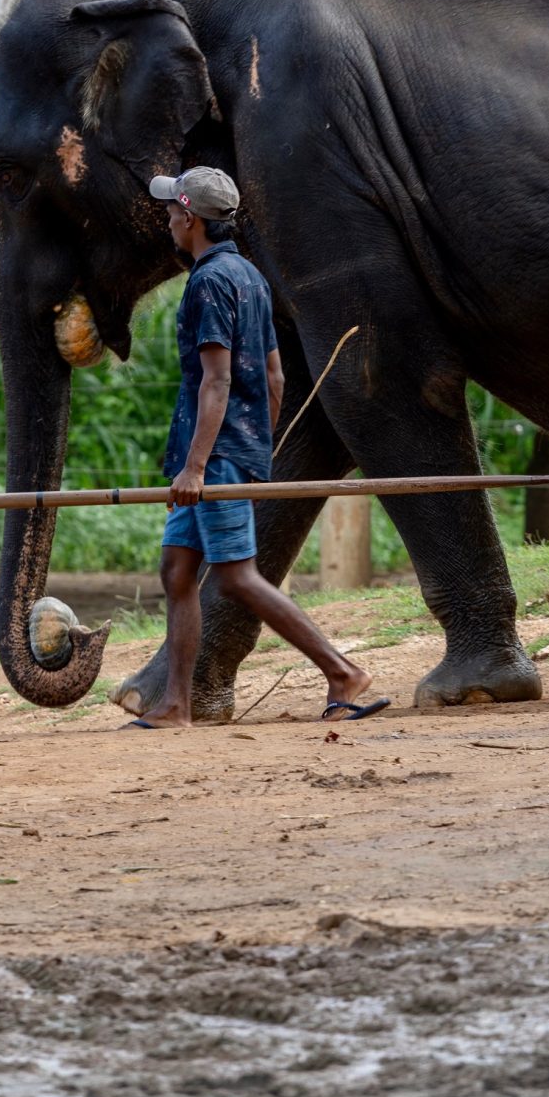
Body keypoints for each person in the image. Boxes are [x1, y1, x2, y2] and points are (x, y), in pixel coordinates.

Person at [131, 165, 381, 730]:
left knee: (236, 577)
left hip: (211, 457)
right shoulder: (250, 277)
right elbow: (274, 379)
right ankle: (175, 703)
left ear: (190, 217)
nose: (168, 218)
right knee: (177, 570)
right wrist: (256, 447)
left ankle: (343, 672)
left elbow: (215, 381)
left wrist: (200, 466)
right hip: (224, 452)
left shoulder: (210, 282)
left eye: (173, 210)